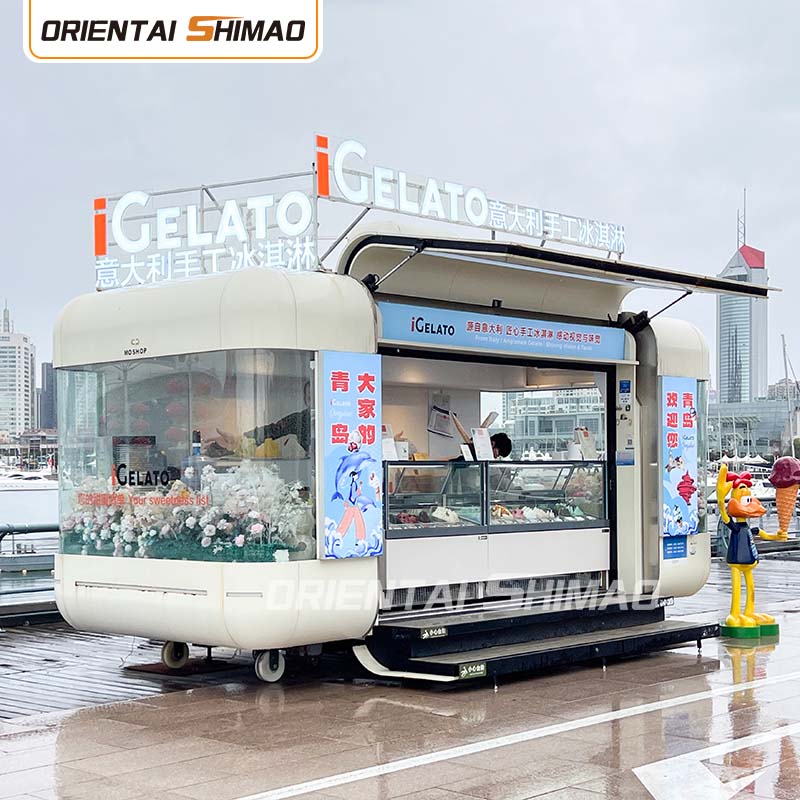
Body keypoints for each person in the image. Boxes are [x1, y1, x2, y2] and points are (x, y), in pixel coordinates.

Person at [207, 380, 312, 457]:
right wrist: (238, 441)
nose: (315, 404)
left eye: (318, 398)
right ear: (305, 401)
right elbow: (271, 431)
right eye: (309, 399)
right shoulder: (299, 420)